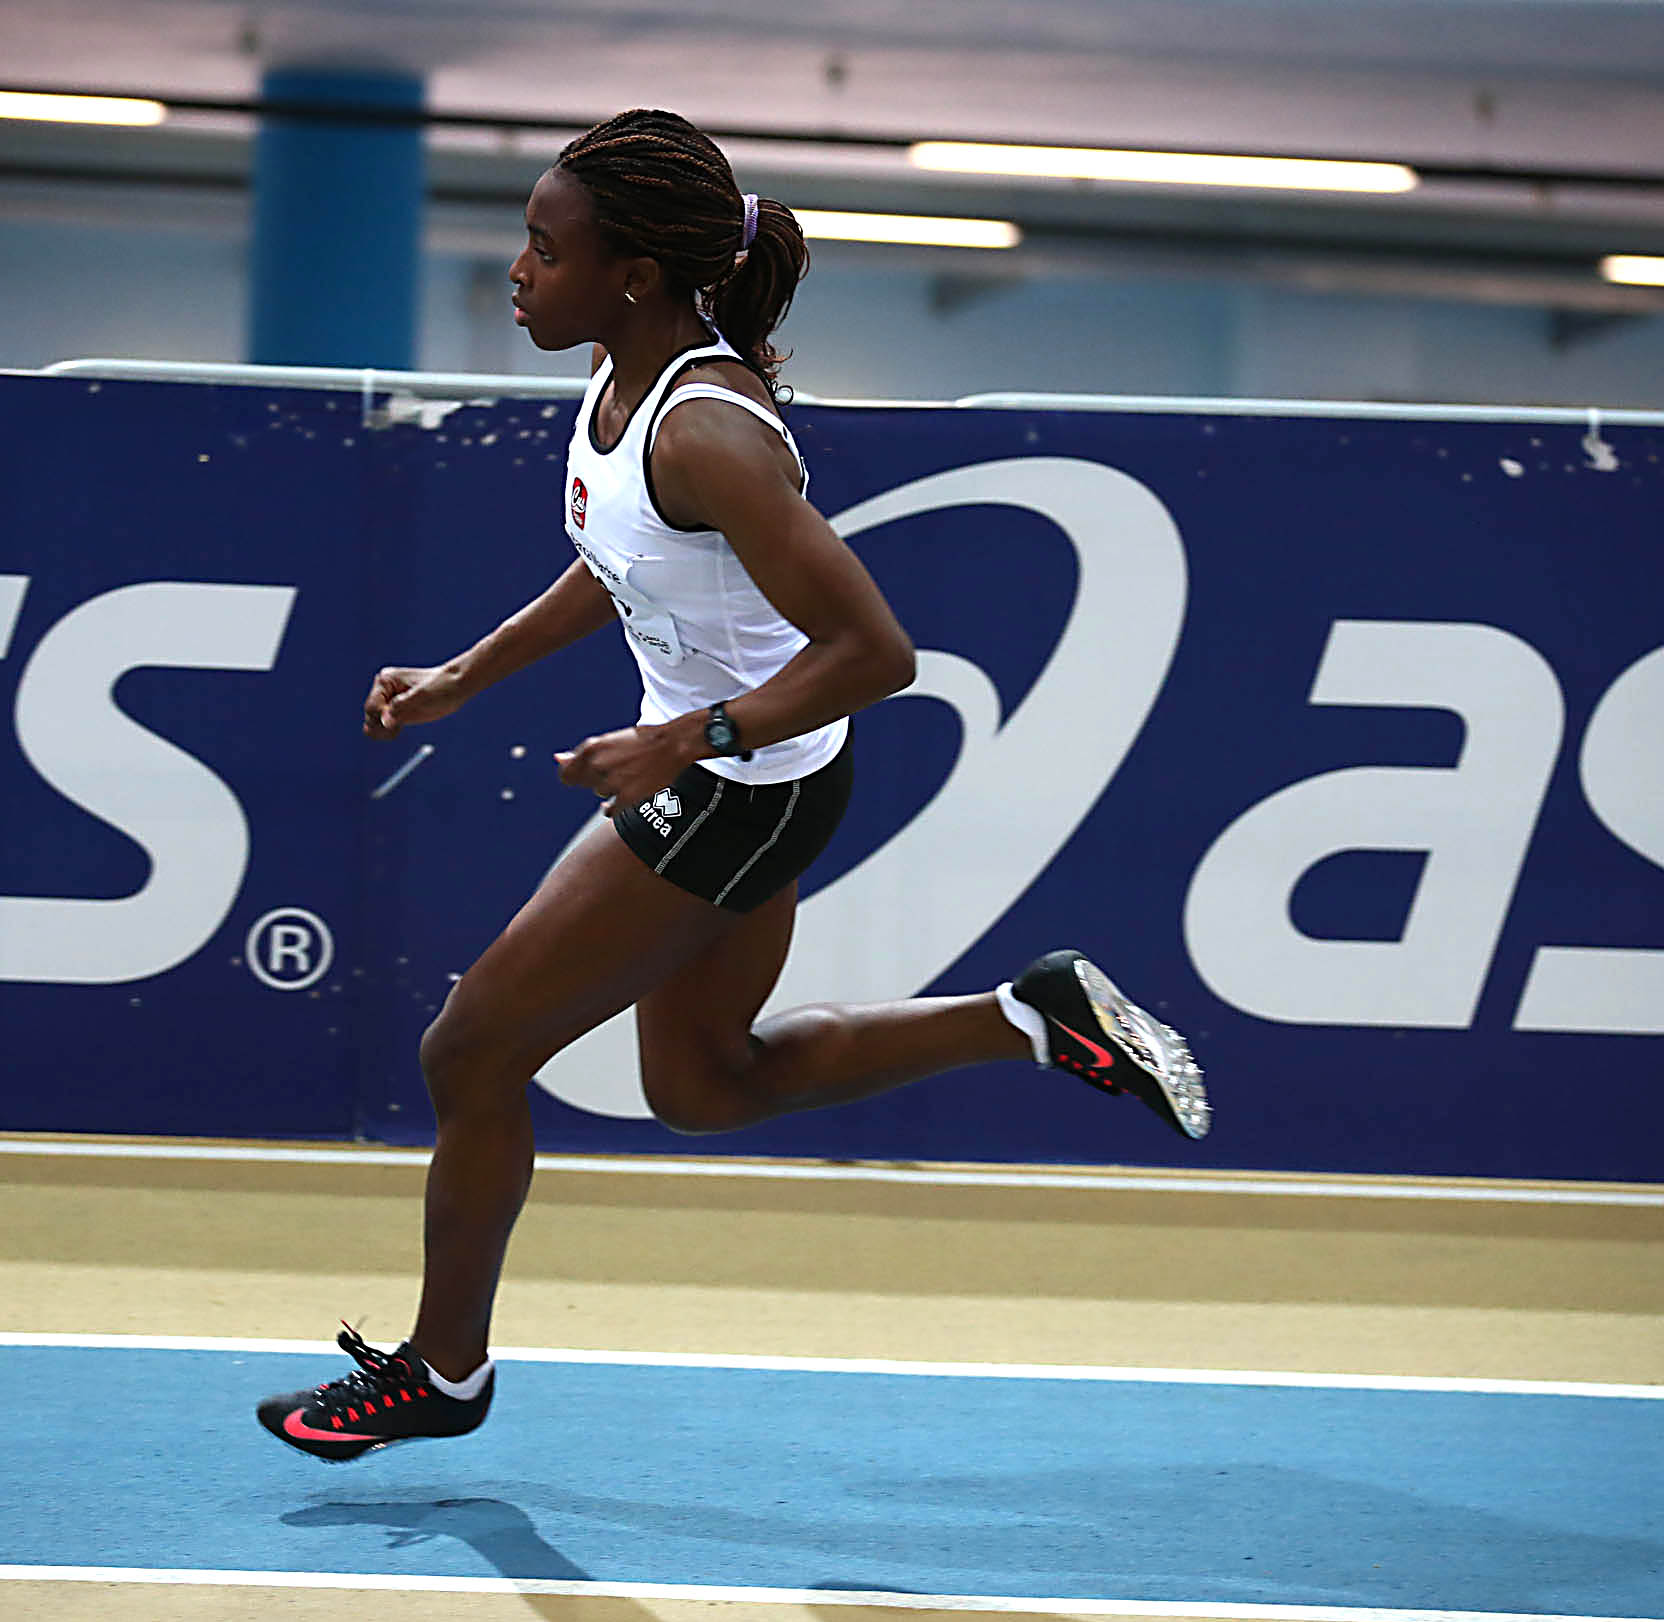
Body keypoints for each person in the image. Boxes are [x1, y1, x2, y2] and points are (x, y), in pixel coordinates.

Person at [256, 108, 1208, 1463]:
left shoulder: (707, 431)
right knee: (707, 1086)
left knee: (468, 1052)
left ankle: (443, 1370)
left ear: (633, 275)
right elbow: (622, 563)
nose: (517, 270)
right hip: (749, 776)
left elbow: (876, 653)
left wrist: (686, 739)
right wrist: (468, 673)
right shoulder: (622, 384)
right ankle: (1028, 1018)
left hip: (736, 791)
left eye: (545, 250)